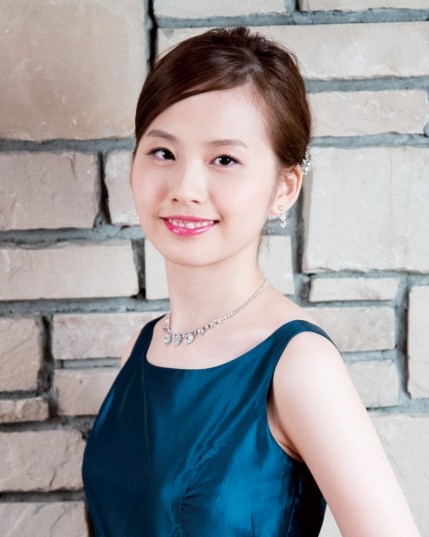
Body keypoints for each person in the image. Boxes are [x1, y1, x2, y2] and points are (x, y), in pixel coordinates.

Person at [82, 26, 421, 537]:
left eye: (224, 160)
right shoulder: (144, 347)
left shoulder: (298, 363)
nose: (185, 188)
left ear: (284, 187)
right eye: (163, 153)